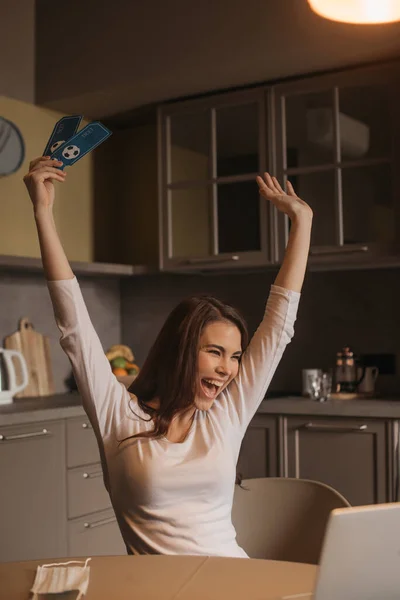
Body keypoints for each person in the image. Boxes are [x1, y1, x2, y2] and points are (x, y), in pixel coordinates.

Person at [23, 156, 313, 558]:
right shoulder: (118, 417)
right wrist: (42, 212)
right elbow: (73, 325)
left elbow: (279, 328)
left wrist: (302, 222)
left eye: (235, 356)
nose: (227, 369)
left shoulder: (226, 416)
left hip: (235, 581)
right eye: (214, 353)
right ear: (181, 351)